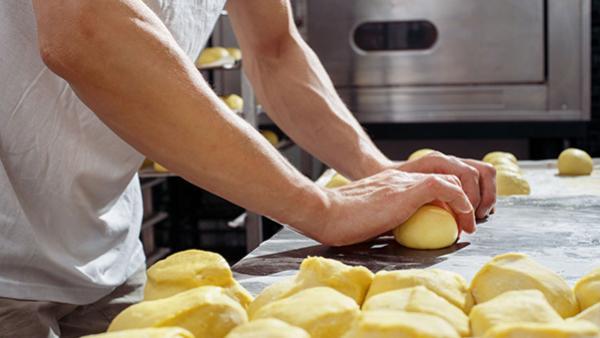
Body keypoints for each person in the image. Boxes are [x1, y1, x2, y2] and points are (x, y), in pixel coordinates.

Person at [0, 0, 496, 336]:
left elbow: (276, 49)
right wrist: (320, 207)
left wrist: (374, 172)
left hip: (104, 249)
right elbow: (84, 26)